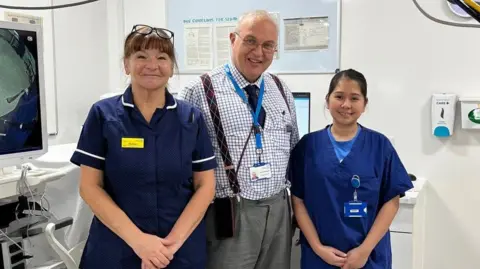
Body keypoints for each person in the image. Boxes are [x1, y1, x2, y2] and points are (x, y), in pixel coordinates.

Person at [70, 24, 217, 269]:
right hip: (116, 249)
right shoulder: (103, 115)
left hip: (178, 252)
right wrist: (140, 242)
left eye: (162, 57)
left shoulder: (191, 118)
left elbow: (206, 186)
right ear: (126, 65)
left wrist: (169, 245)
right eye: (141, 56)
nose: (152, 65)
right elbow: (89, 186)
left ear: (171, 68)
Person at [178, 9, 300, 269]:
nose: (259, 53)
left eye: (268, 46)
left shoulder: (280, 89)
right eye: (251, 41)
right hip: (230, 212)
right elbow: (180, 165)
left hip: (279, 209)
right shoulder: (198, 91)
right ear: (233, 39)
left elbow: (294, 150)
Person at [288, 69, 414, 269]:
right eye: (339, 97)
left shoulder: (380, 146)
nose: (346, 105)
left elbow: (392, 202)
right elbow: (298, 200)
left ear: (364, 104)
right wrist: (318, 248)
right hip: (319, 257)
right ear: (328, 100)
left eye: (354, 98)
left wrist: (364, 250)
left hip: (368, 257)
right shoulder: (308, 146)